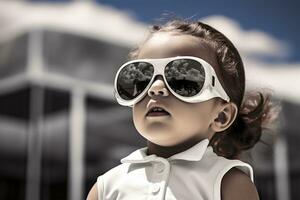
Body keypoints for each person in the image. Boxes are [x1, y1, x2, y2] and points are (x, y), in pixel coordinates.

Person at [87, 18, 279, 200]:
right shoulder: (105, 187)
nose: (155, 88)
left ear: (221, 116)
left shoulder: (229, 183)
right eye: (141, 79)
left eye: (183, 79)